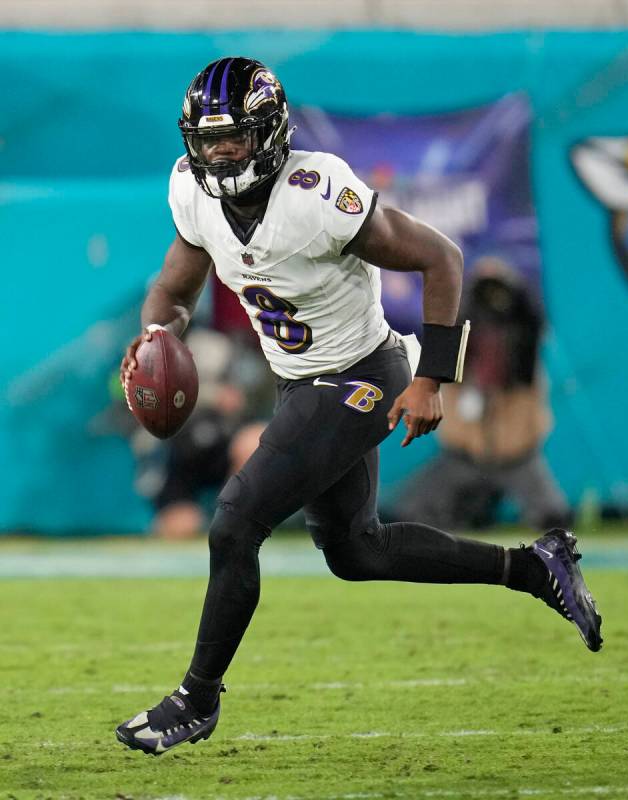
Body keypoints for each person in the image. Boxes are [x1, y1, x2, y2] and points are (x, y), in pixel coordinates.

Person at [115, 57, 602, 756]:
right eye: (208, 139)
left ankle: (194, 700)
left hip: (361, 374)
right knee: (356, 551)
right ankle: (535, 568)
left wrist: (433, 380)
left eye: (235, 138)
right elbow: (174, 286)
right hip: (300, 380)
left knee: (234, 523)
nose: (220, 153)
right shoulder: (192, 194)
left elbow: (443, 258)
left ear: (271, 134)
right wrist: (156, 335)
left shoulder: (316, 192)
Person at [400, 257, 572, 531]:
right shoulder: (461, 347)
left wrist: (506, 285)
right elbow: (449, 321)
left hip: (518, 456)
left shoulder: (522, 345)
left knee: (554, 519)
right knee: (410, 511)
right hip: (464, 456)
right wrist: (474, 289)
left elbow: (532, 319)